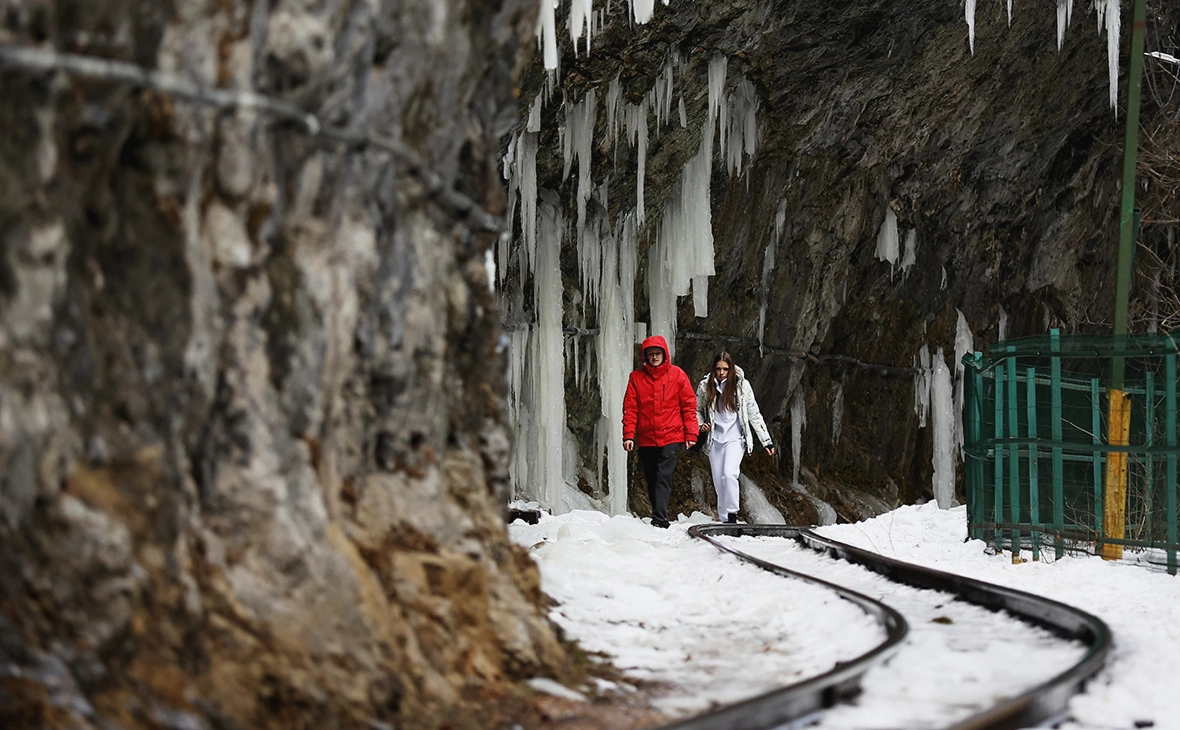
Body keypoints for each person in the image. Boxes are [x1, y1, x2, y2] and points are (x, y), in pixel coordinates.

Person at [622, 335, 699, 528]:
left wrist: (691, 434)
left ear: (665, 354)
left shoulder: (678, 375)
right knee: (652, 478)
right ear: (644, 357)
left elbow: (689, 406)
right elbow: (631, 409)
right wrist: (628, 435)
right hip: (647, 438)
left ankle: (660, 519)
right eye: (651, 354)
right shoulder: (636, 378)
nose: (655, 357)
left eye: (658, 353)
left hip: (672, 436)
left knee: (663, 476)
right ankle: (659, 515)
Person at [696, 352, 775, 524]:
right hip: (714, 439)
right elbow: (697, 410)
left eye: (725, 369)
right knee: (718, 481)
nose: (722, 373)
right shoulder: (705, 386)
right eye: (718, 369)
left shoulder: (742, 386)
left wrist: (766, 441)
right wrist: (701, 425)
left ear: (731, 369)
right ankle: (725, 520)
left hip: (735, 437)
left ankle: (732, 513)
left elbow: (754, 413)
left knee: (729, 474)